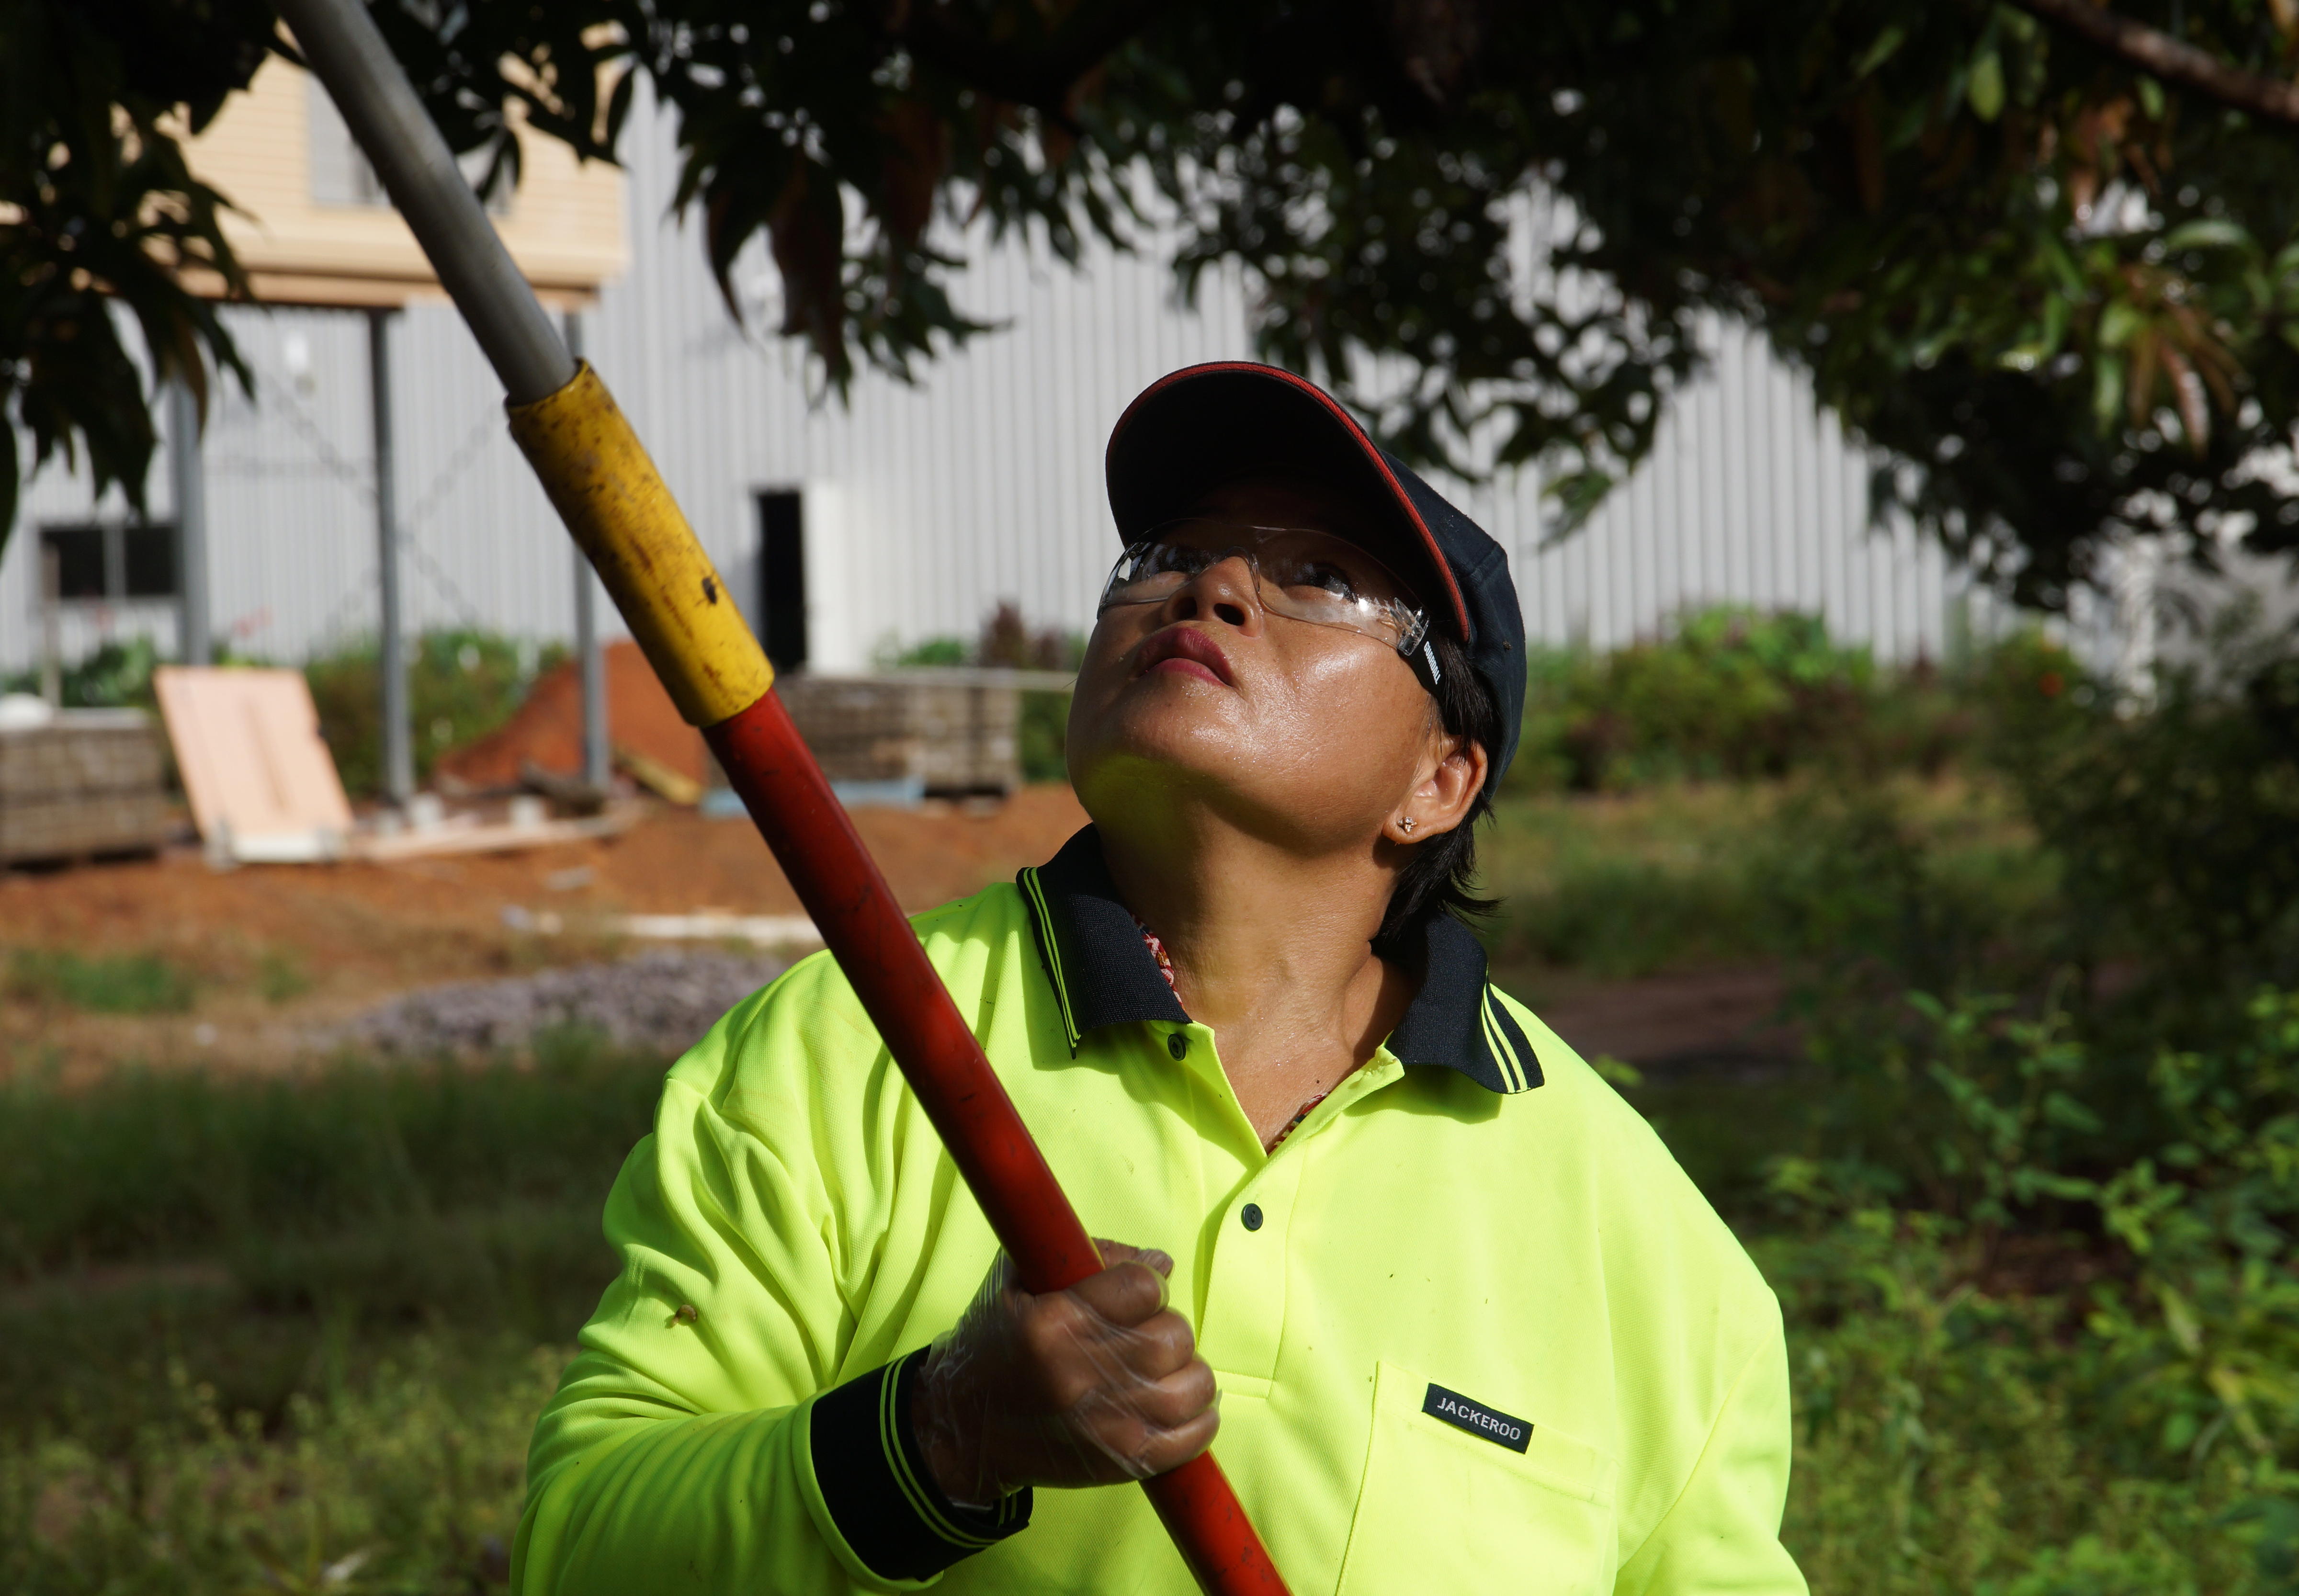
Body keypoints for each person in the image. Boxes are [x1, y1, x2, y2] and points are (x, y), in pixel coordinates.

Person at [511, 362, 1806, 1596]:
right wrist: (940, 1437)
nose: (1212, 587)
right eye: (1170, 554)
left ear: (1440, 779)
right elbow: (578, 1549)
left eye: (1319, 576)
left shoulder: (1645, 1240)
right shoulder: (842, 1051)